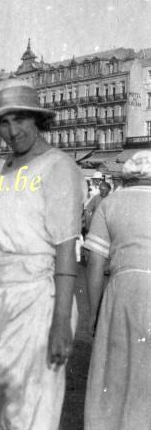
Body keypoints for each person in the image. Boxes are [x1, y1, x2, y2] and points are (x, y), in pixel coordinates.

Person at [0, 79, 83, 430]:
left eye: (20, 119)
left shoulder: (58, 168)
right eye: (4, 122)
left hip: (38, 301)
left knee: (28, 408)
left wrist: (60, 323)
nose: (13, 131)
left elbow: (65, 247)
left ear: (36, 119)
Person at [83, 150, 151, 430]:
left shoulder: (110, 204)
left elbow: (94, 264)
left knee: (115, 371)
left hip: (123, 289)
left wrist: (95, 311)